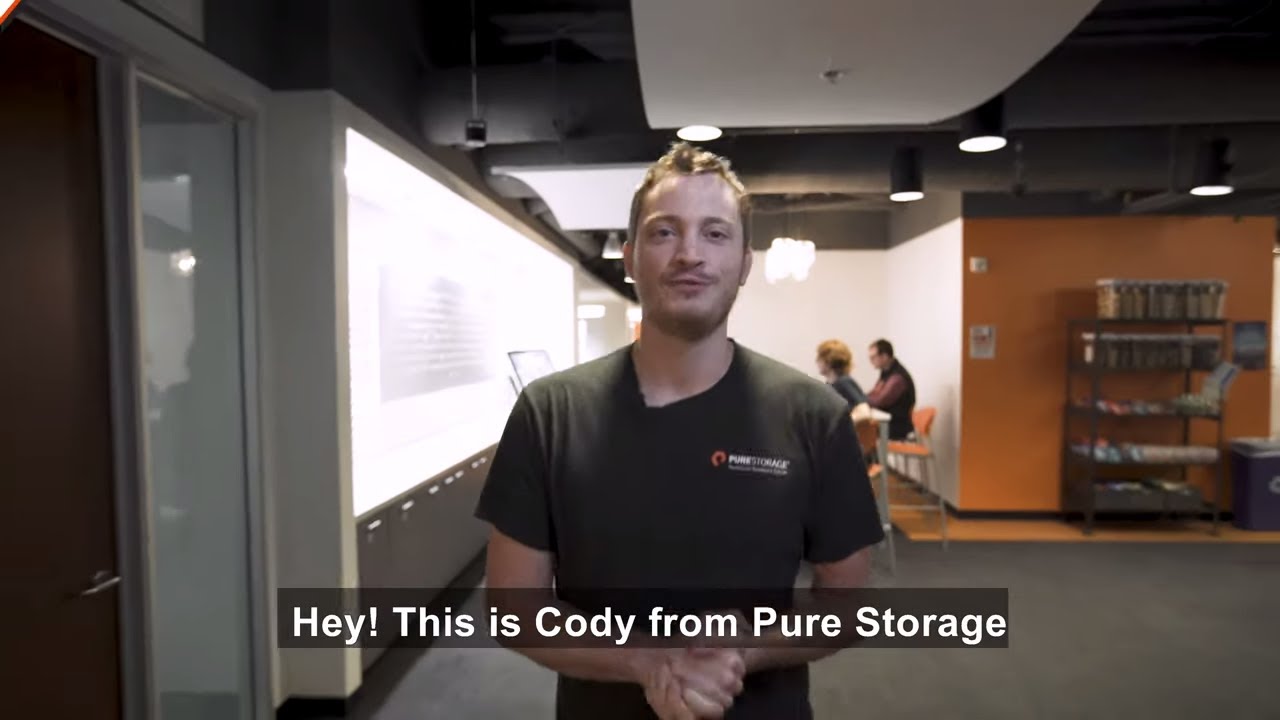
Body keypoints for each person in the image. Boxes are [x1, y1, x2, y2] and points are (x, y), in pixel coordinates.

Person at [475, 142, 884, 720]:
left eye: (715, 234)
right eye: (664, 232)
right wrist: (648, 661)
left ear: (744, 263)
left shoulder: (813, 415)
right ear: (629, 257)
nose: (690, 253)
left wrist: (744, 650)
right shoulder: (550, 412)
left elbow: (849, 605)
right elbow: (514, 609)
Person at [865, 339, 917, 441]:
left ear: (884, 356)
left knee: (861, 432)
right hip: (888, 424)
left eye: (873, 357)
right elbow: (874, 393)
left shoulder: (898, 377)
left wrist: (861, 399)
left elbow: (880, 401)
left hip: (897, 429)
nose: (871, 361)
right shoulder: (886, 372)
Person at [815, 339, 868, 411]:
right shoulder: (830, 384)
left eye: (819, 358)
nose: (816, 361)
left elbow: (863, 409)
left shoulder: (843, 382)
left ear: (829, 360)